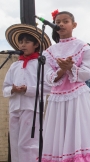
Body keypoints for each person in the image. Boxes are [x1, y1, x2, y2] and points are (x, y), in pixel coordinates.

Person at [41, 10, 90, 161]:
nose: (61, 24)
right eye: (57, 22)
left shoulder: (84, 47)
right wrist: (63, 69)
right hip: (57, 98)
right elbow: (47, 77)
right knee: (58, 133)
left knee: (80, 130)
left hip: (77, 96)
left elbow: (88, 73)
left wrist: (71, 67)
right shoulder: (49, 52)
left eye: (65, 21)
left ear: (74, 25)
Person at [2, 23, 52, 162]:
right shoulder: (14, 65)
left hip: (31, 107)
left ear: (36, 44)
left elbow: (48, 87)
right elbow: (5, 87)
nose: (23, 45)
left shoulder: (41, 64)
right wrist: (12, 89)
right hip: (15, 108)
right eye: (21, 42)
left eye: (27, 42)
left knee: (28, 145)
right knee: (15, 144)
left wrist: (27, 90)